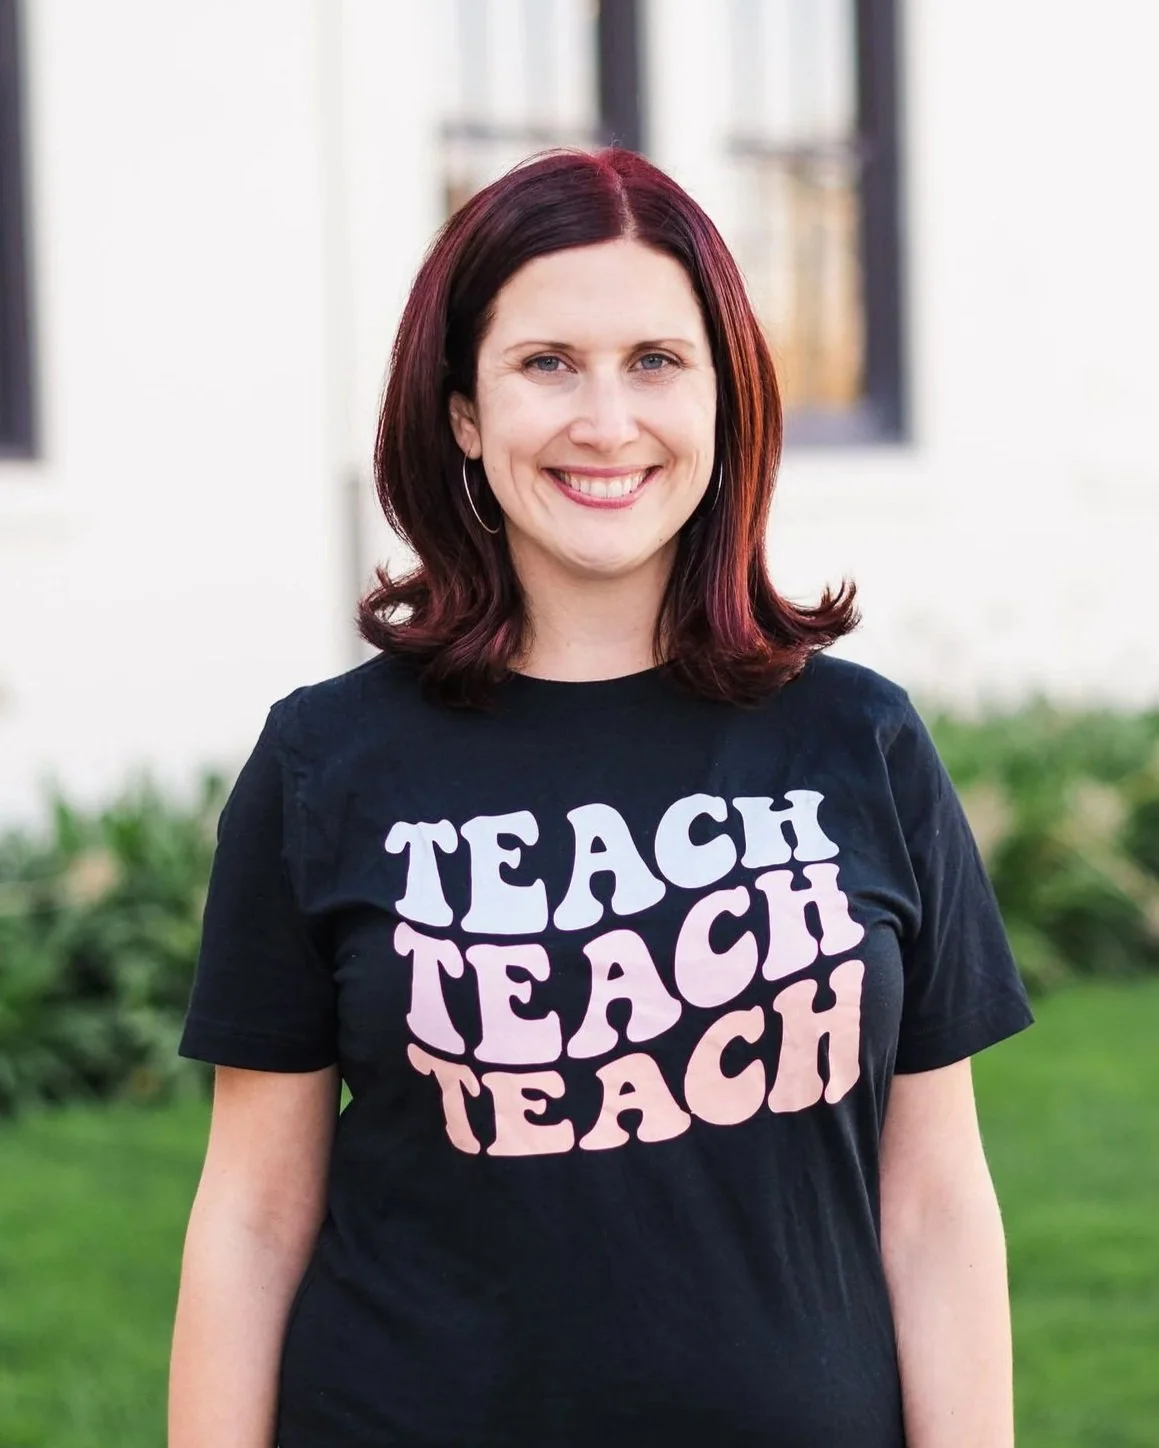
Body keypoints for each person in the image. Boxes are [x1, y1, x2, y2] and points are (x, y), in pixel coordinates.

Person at [168, 148, 1033, 1448]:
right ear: (461, 408)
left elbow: (932, 1205)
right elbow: (250, 1212)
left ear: (726, 396)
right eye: (546, 363)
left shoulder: (858, 743)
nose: (606, 422)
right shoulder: (323, 766)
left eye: (653, 361)